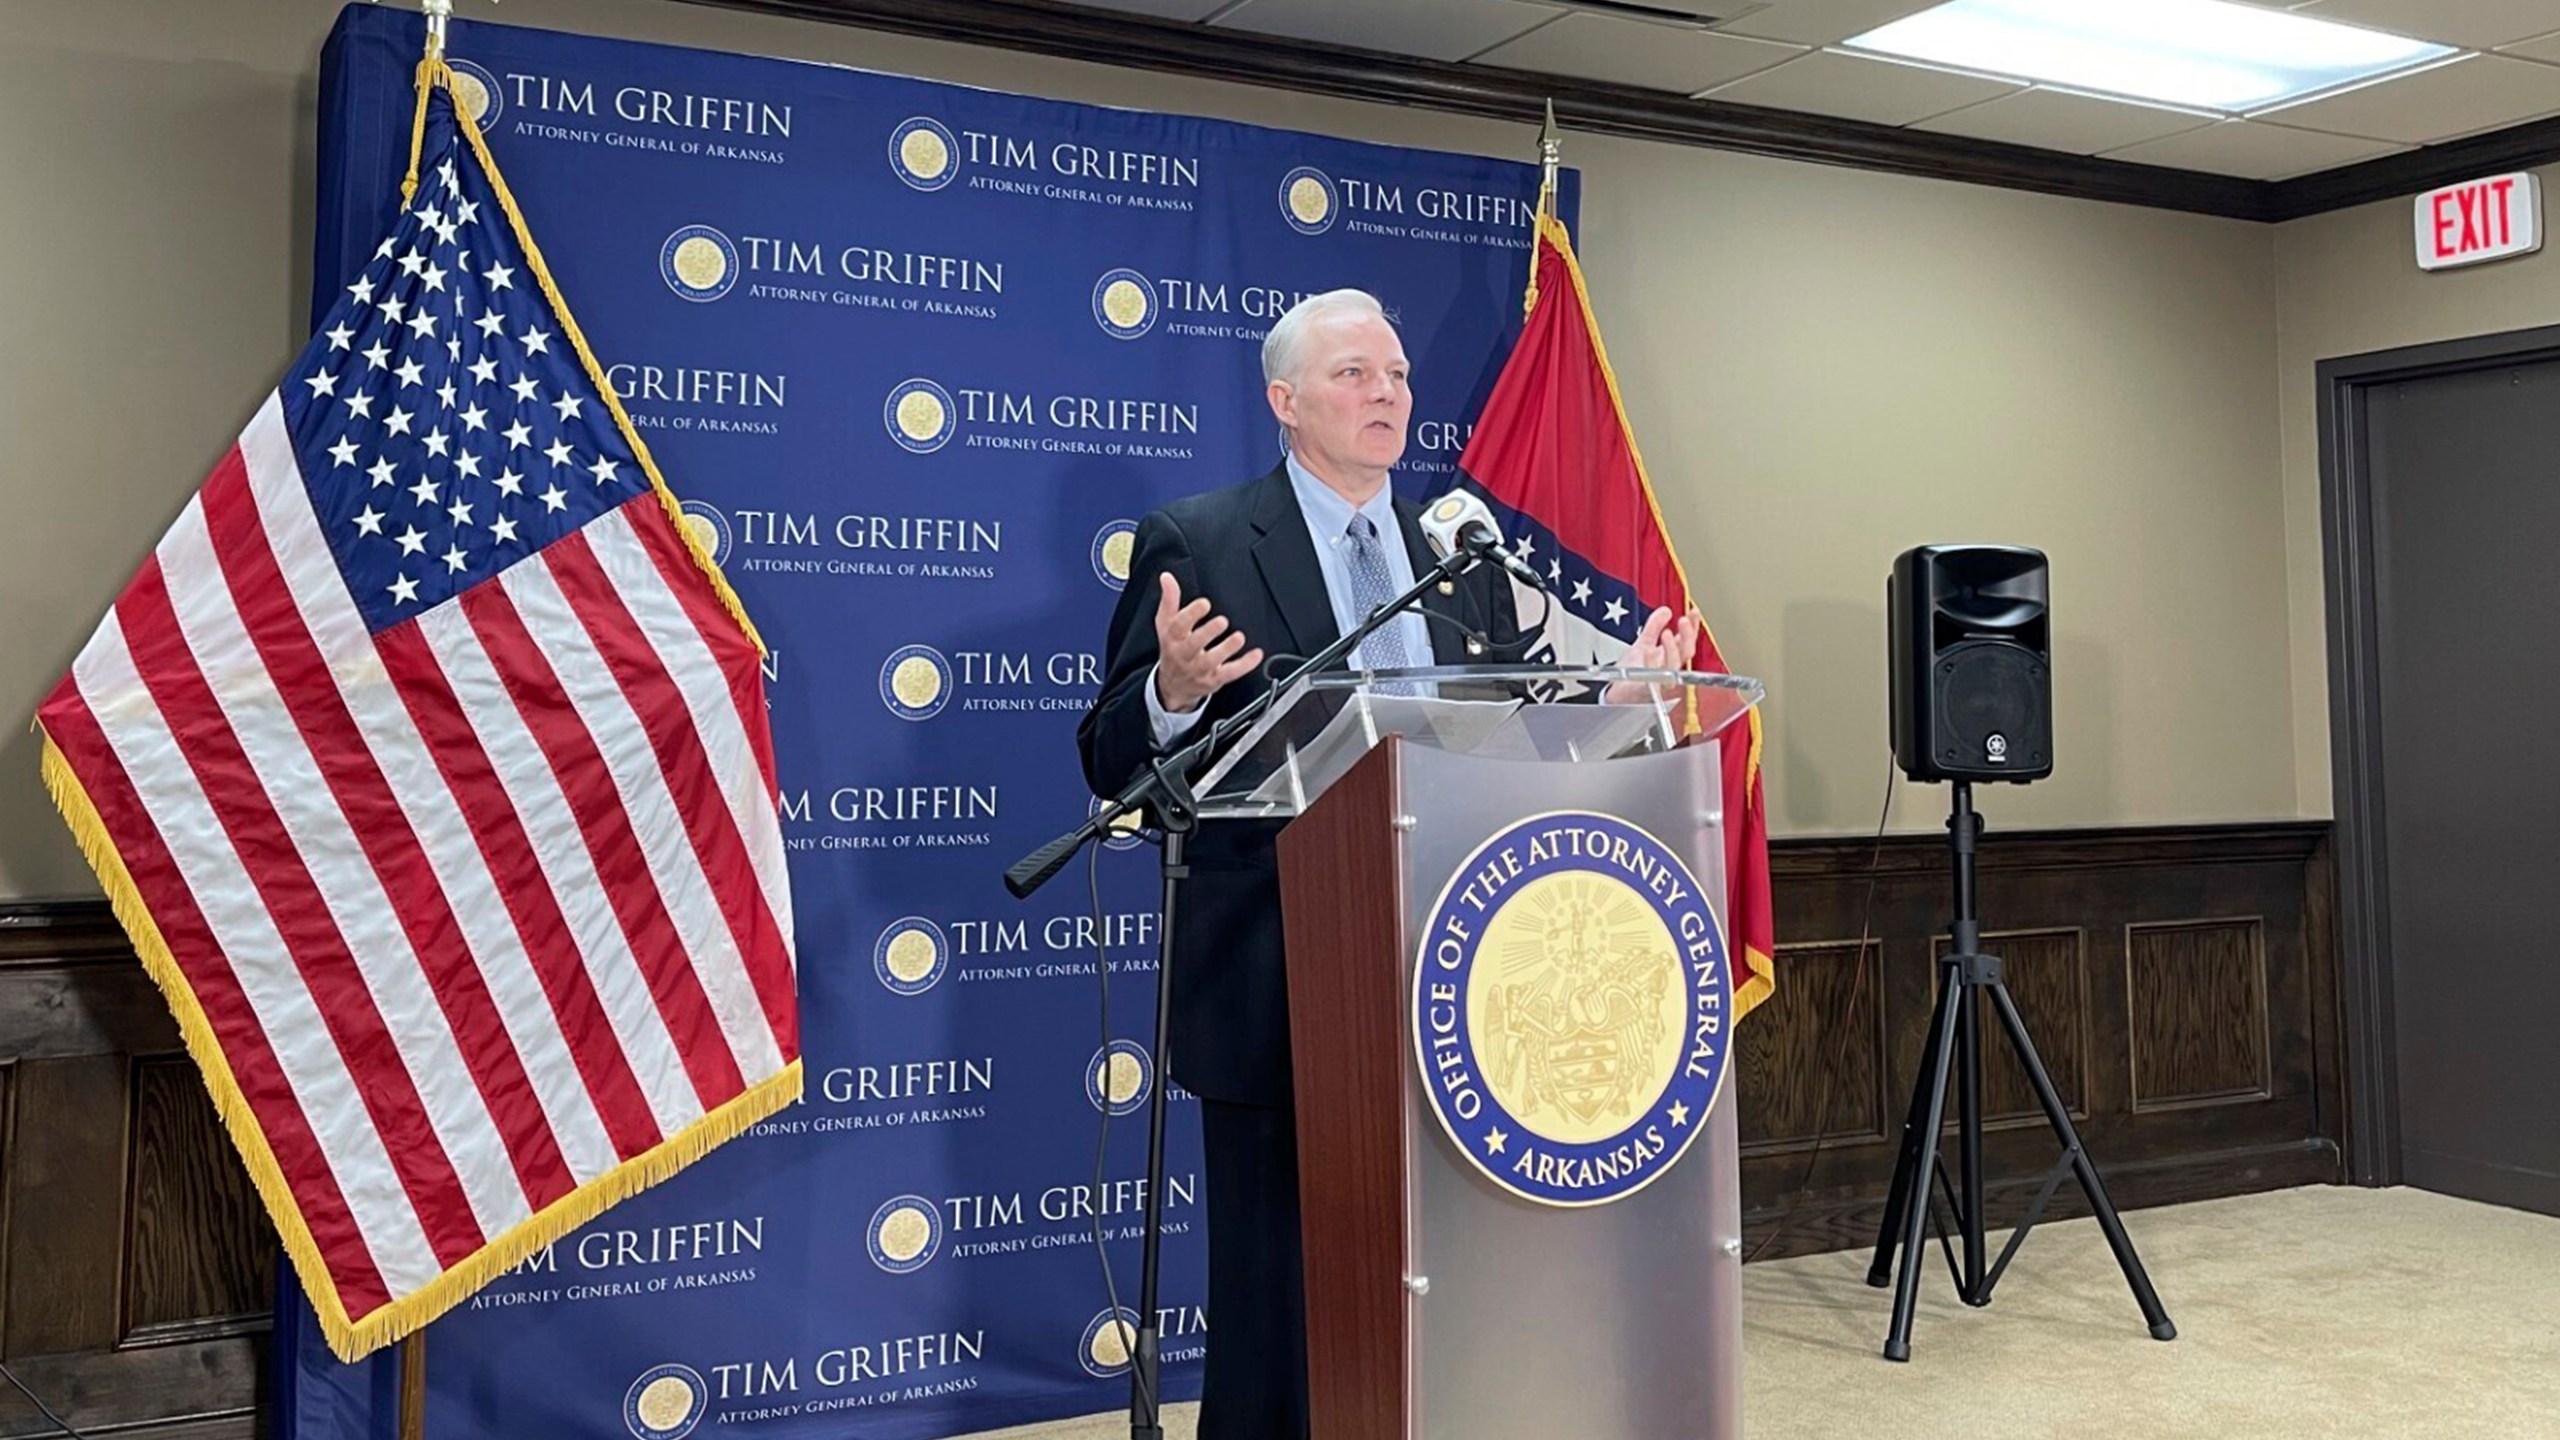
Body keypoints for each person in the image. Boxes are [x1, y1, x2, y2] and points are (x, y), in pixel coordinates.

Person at [1075, 288, 1697, 1440]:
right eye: (1356, 374)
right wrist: (1168, 693)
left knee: (1441, 1295)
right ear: (1286, 400)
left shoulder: (1456, 553)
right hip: (1275, 973)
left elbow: (1506, 735)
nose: (1388, 395)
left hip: (1450, 975)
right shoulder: (1201, 540)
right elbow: (1109, 761)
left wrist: (1613, 707)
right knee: (1278, 1313)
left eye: (1398, 376)